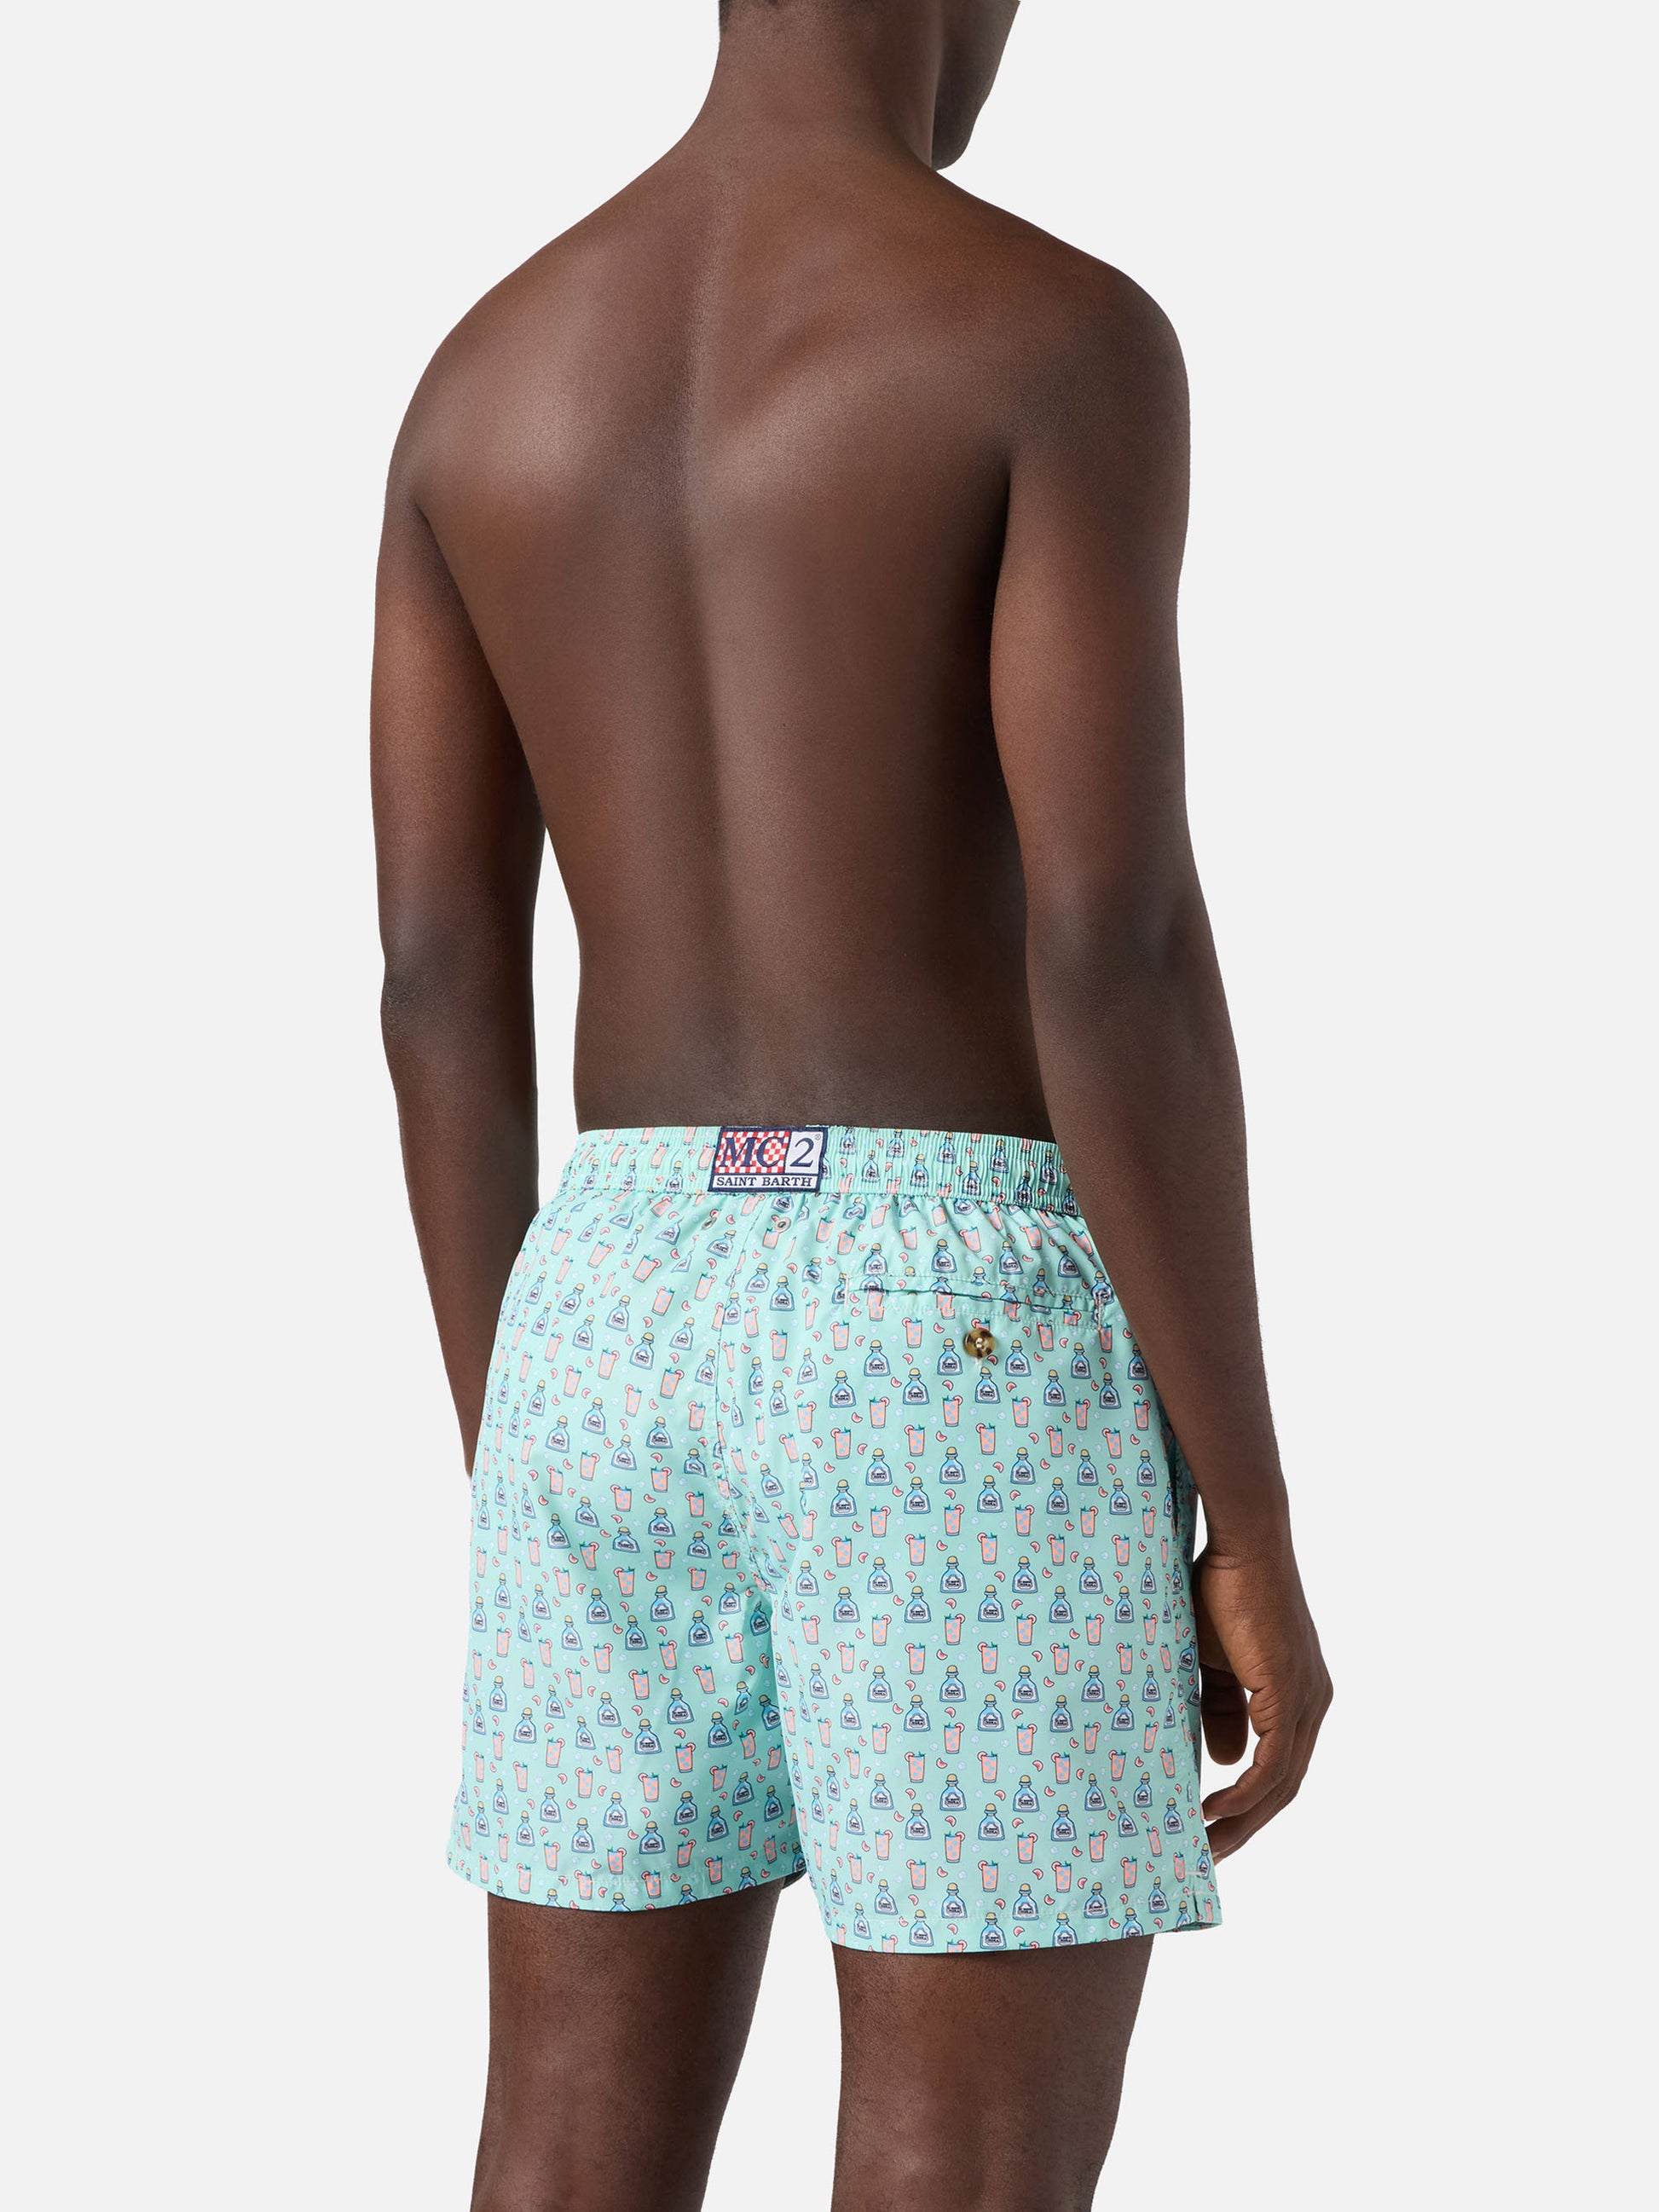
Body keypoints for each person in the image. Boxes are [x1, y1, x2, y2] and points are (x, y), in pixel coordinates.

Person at [371, 3, 1332, 2205]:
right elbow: (1111, 946)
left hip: (596, 1303)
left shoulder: (481, 373)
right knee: (959, 2158)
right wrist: (1252, 1518)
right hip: (950, 1334)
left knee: (562, 2142)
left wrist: (525, 1440)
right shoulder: (1049, 335)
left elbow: (434, 978)